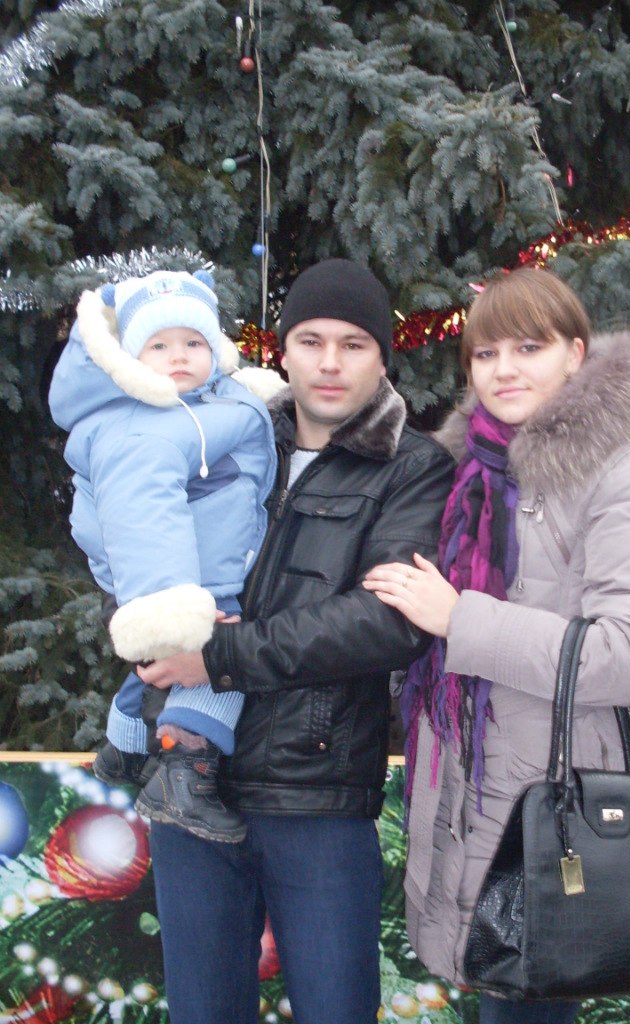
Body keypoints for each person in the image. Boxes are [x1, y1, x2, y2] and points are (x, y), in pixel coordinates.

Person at [363, 267, 630, 1024]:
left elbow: (625, 654)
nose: (503, 370)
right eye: (485, 354)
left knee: (531, 1000)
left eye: (528, 348)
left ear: (575, 354)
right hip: (470, 787)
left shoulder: (628, 469)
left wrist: (461, 621)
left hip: (556, 808)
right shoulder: (469, 470)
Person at [136, 258, 455, 1024]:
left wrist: (215, 656)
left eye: (353, 344)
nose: (330, 362)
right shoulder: (218, 441)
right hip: (191, 783)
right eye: (311, 341)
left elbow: (384, 621)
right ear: (283, 350)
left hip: (317, 798)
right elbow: (140, 542)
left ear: (383, 357)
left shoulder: (412, 468)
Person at [48, 269, 279, 843]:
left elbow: (217, 416)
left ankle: (124, 748)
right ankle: (186, 775)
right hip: (184, 576)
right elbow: (142, 516)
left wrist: (255, 392)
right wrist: (169, 607)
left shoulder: (187, 402)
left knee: (162, 669)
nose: (179, 356)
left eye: (194, 342)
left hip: (201, 557)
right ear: (129, 357)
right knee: (217, 664)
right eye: (159, 346)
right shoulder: (139, 427)